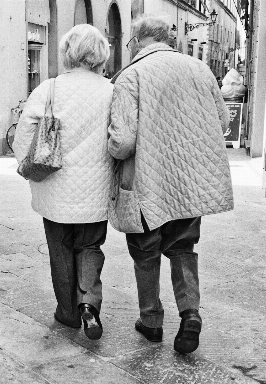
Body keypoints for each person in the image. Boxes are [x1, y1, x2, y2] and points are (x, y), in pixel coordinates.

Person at [108, 15, 233, 354]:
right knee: (183, 248)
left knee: (145, 250)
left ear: (136, 40)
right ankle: (190, 312)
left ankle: (151, 321)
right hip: (190, 181)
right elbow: (222, 120)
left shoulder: (131, 75)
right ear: (168, 39)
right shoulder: (199, 69)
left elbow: (122, 143)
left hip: (148, 181)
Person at [13, 24, 113, 340]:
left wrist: (26, 166)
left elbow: (24, 135)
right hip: (96, 190)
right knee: (90, 246)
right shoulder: (112, 91)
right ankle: (88, 304)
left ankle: (68, 313)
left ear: (67, 52)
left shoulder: (50, 88)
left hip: (54, 190)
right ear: (100, 54)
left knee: (60, 250)